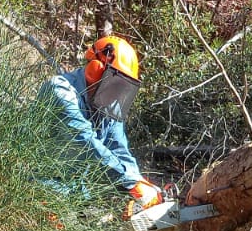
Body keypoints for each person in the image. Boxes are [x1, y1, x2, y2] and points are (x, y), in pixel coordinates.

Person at [42, 34, 164, 208]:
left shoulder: (106, 105)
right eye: (115, 83)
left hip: (76, 193)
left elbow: (119, 149)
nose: (117, 92)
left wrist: (139, 183)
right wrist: (130, 184)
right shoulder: (60, 91)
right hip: (40, 186)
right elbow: (85, 141)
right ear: (96, 68)